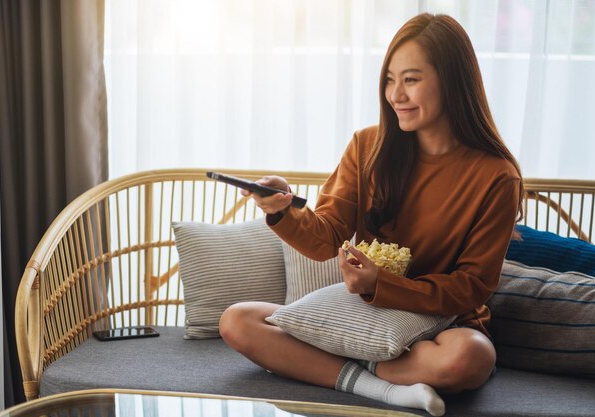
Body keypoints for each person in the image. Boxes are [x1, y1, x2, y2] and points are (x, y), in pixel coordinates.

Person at [219, 12, 523, 417]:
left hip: (442, 324)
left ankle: (349, 371)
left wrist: (383, 284)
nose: (395, 94)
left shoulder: (496, 176)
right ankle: (386, 389)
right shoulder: (367, 147)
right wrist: (282, 210)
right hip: (365, 315)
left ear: (452, 82)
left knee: (471, 357)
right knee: (237, 321)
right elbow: (325, 237)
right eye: (389, 79)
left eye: (411, 79)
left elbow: (472, 286)